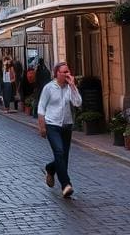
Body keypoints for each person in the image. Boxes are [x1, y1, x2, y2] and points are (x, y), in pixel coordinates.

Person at [37, 62, 82, 199]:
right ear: (57, 73)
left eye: (68, 71)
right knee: (59, 152)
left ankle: (50, 168)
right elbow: (41, 107)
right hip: (52, 125)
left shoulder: (70, 88)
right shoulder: (49, 88)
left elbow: (78, 103)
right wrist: (42, 127)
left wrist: (73, 86)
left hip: (66, 125)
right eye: (64, 72)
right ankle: (66, 185)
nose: (67, 74)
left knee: (64, 156)